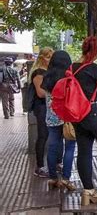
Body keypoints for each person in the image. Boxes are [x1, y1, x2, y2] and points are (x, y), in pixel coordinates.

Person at [72, 36, 97, 205]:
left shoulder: (71, 68)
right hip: (95, 113)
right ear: (96, 51)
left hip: (77, 115)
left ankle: (88, 192)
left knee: (84, 152)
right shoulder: (94, 69)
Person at [41, 51, 76, 191]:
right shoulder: (70, 77)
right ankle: (66, 179)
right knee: (70, 147)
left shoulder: (46, 77)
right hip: (68, 117)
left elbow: (45, 95)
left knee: (52, 147)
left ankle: (53, 178)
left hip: (52, 117)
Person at [30, 47, 54, 177]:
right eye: (47, 56)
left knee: (47, 135)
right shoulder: (39, 72)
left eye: (51, 56)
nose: (49, 59)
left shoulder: (47, 71)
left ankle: (45, 165)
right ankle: (39, 167)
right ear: (41, 58)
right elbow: (40, 93)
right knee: (43, 135)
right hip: (41, 107)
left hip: (47, 106)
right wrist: (56, 93)